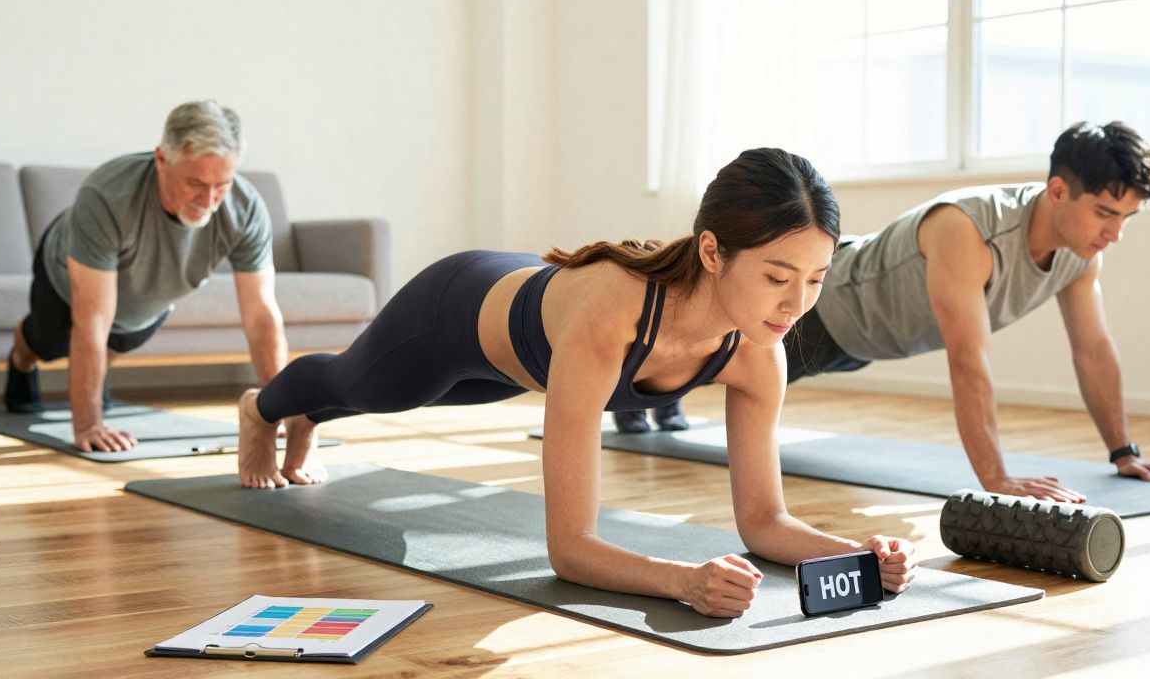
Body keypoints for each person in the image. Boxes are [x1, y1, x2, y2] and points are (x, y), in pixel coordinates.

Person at [237, 148, 917, 617]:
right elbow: (569, 550)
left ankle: (311, 416)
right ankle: (265, 409)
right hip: (455, 311)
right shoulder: (612, 318)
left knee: (395, 393)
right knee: (367, 387)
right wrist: (682, 581)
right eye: (776, 277)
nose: (795, 304)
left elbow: (764, 522)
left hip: (525, 365)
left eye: (815, 280)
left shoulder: (758, 355)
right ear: (713, 251)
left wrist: (857, 553)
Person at [643, 121, 1150, 501]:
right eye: (1106, 213)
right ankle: (637, 385)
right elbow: (969, 358)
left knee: (706, 367)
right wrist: (995, 477)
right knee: (697, 351)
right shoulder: (969, 228)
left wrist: (1124, 452)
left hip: (865, 343)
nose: (1115, 234)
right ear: (1057, 191)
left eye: (1125, 219)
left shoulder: (1080, 257)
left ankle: (656, 390)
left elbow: (1093, 350)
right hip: (824, 308)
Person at [5, 100, 293, 456]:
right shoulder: (108, 195)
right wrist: (88, 424)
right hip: (66, 277)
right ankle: (21, 358)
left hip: (151, 294)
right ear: (161, 159)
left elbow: (261, 315)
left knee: (118, 341)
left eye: (222, 183)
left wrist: (281, 409)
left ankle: (96, 379)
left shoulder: (245, 209)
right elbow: (93, 317)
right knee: (49, 344)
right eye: (194, 182)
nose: (209, 199)